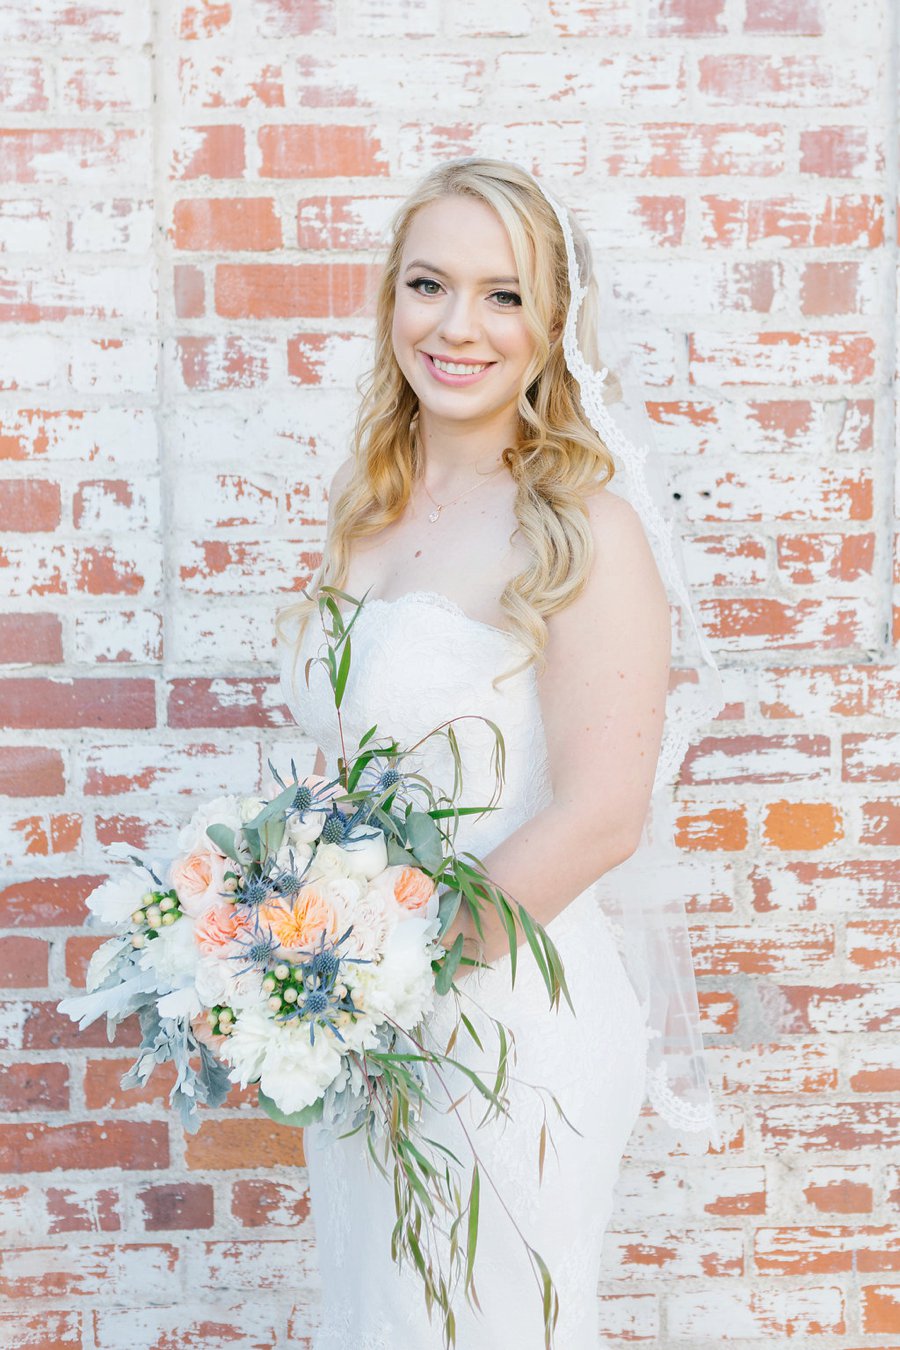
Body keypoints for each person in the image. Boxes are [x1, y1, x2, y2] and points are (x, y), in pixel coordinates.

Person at [275, 158, 680, 1349]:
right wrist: (297, 962)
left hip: (506, 1030)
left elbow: (605, 815)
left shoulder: (583, 529)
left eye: (504, 295)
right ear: (389, 298)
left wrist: (382, 972)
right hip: (367, 1032)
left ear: (554, 322)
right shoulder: (374, 501)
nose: (459, 327)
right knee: (382, 1315)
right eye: (429, 284)